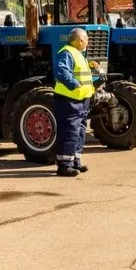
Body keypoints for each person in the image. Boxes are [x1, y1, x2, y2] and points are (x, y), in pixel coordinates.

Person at [53, 28, 96, 177]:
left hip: (82, 101)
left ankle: (75, 162)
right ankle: (64, 166)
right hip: (69, 100)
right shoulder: (67, 52)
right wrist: (74, 84)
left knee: (79, 131)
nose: (88, 43)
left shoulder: (78, 54)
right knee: (69, 131)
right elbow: (61, 71)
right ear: (79, 41)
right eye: (86, 40)